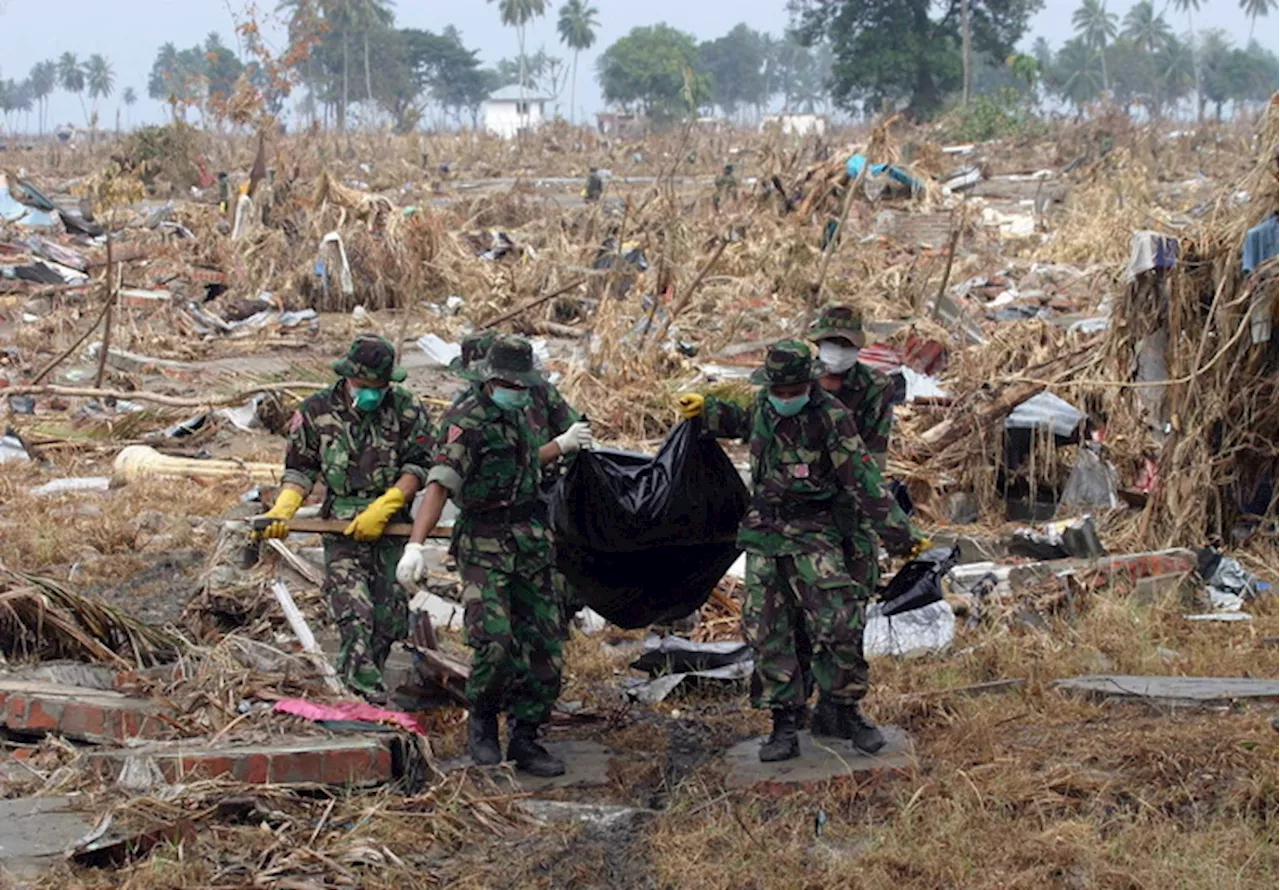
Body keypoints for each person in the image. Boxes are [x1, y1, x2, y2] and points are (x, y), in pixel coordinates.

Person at [676, 340, 924, 762]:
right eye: (780, 392)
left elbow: (862, 479)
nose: (786, 400)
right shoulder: (764, 406)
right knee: (768, 631)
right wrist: (708, 412)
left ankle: (844, 710)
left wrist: (901, 535)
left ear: (808, 384)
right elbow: (742, 420)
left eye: (794, 392)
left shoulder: (831, 418)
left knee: (838, 622)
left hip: (815, 533)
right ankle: (784, 723)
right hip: (765, 536)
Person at [396, 336, 591, 776]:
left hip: (531, 541)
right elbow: (440, 483)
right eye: (511, 386)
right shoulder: (467, 420)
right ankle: (483, 720)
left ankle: (527, 736)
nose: (519, 393)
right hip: (484, 543)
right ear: (490, 380)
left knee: (544, 643)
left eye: (524, 387)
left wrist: (560, 445)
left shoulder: (520, 413)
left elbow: (523, 467)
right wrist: (414, 545)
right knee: (496, 639)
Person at [258, 334, 434, 700]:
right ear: (349, 378)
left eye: (378, 387)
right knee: (355, 612)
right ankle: (362, 695)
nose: (370, 392)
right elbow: (300, 468)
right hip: (340, 527)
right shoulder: (315, 411)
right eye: (363, 386)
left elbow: (418, 465)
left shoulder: (406, 409)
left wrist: (388, 503)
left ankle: (364, 680)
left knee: (389, 618)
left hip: (391, 523)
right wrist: (285, 506)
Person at [445, 330, 587, 632]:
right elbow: (447, 476)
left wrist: (575, 454)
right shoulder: (469, 415)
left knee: (552, 596)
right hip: (491, 516)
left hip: (542, 502)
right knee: (496, 630)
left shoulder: (536, 395)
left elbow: (573, 428)